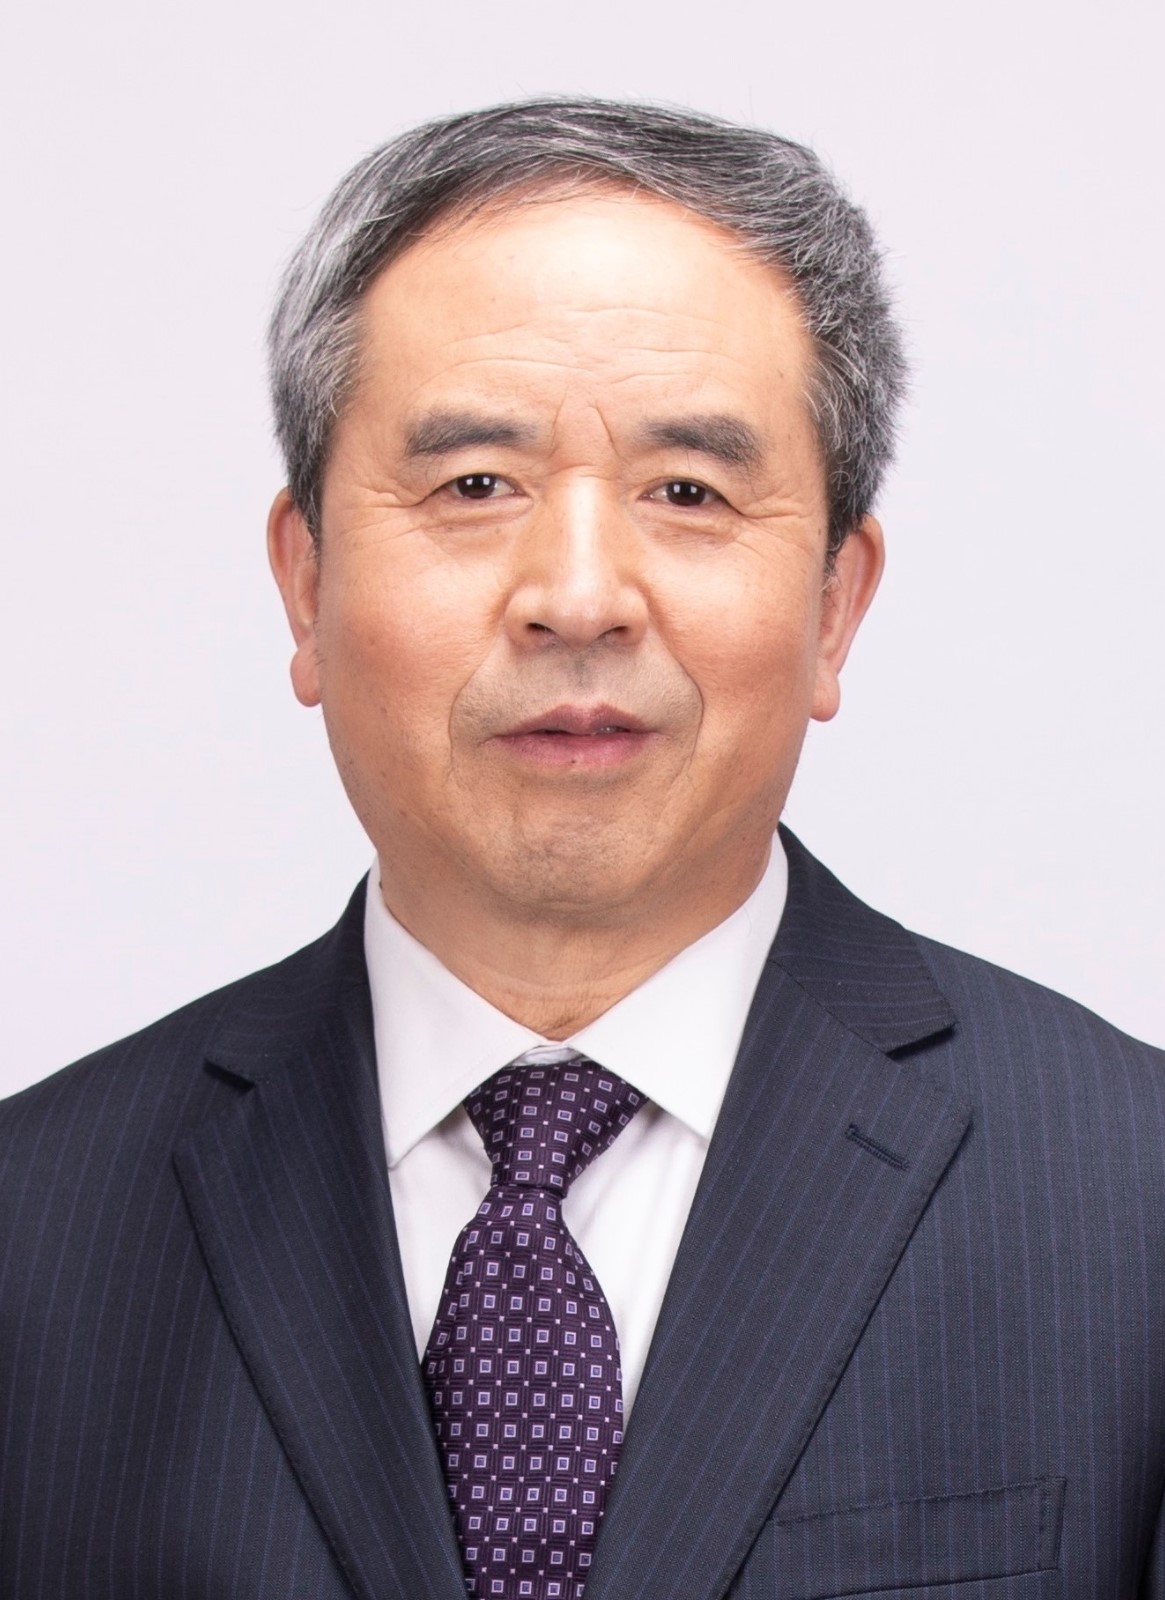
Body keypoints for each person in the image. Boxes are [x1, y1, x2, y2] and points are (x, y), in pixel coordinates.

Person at [1, 98, 1162, 1600]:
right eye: (474, 485)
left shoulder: (1130, 1203)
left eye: (688, 492)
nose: (579, 596)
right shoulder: (36, 1231)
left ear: (833, 605)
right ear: (305, 585)